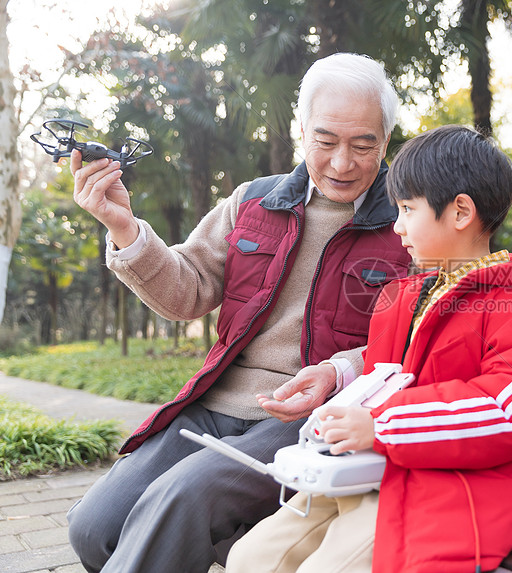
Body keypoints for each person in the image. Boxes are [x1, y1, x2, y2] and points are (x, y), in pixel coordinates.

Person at [65, 52, 412, 573]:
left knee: (179, 503)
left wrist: (344, 371)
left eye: (364, 145)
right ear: (301, 131)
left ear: (386, 140)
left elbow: (417, 334)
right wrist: (123, 227)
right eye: (326, 142)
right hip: (216, 402)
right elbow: (186, 291)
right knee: (93, 529)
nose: (343, 163)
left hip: (309, 417)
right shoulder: (254, 201)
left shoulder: (412, 221)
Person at [225, 125, 512, 573]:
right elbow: (387, 374)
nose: (396, 227)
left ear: (460, 213)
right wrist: (343, 394)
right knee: (249, 559)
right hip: (386, 466)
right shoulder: (404, 298)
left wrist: (381, 426)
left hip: (468, 484)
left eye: (408, 210)